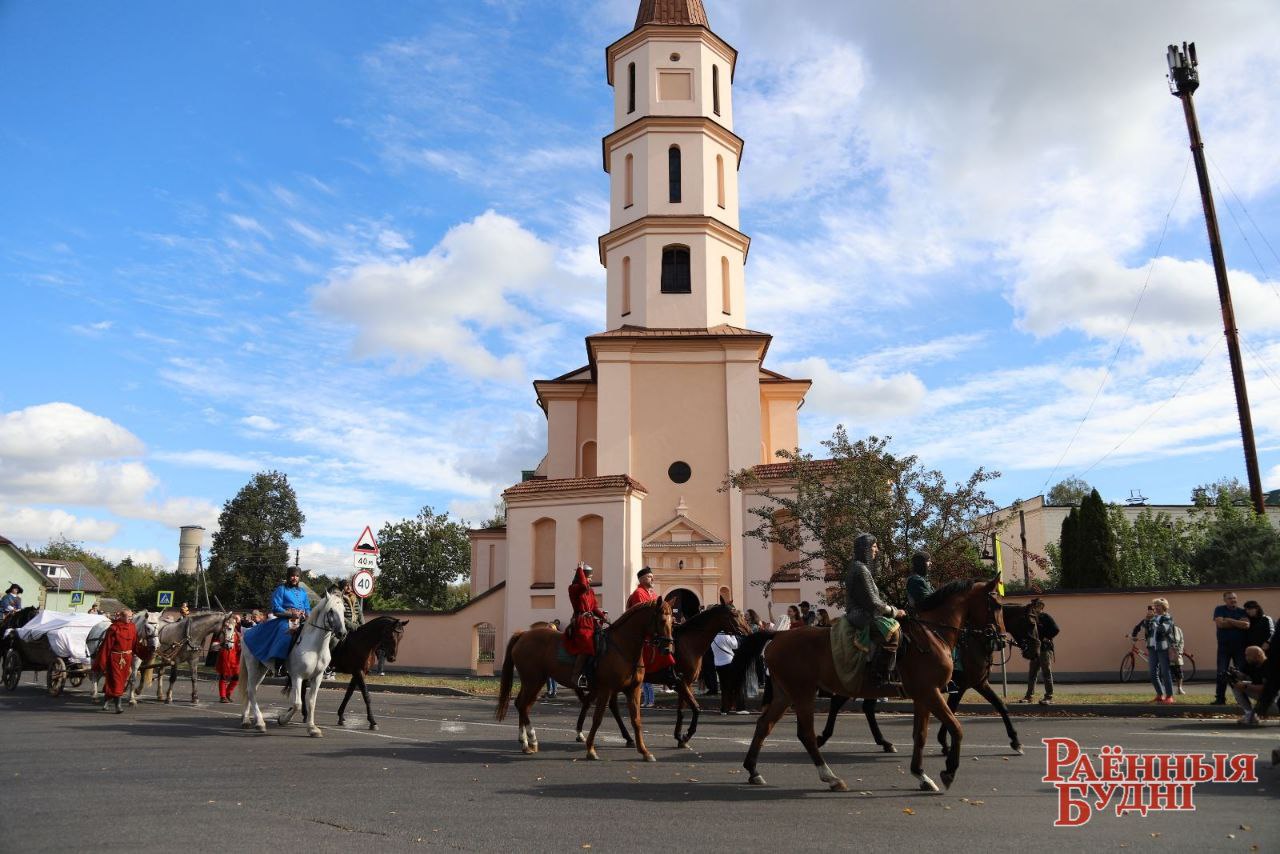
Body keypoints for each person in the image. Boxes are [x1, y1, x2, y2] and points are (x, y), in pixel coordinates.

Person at [844, 533, 905, 693]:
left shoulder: (858, 567)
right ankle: (879, 676)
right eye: (874, 546)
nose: (876, 550)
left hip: (864, 612)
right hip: (860, 615)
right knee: (892, 632)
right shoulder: (860, 569)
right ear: (865, 549)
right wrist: (894, 611)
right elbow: (872, 602)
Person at [627, 567, 667, 708]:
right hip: (642, 635)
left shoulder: (654, 595)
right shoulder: (638, 594)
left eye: (652, 576)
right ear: (642, 579)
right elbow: (642, 617)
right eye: (650, 576)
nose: (652, 579)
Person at [566, 563, 606, 691]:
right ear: (581, 576)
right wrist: (579, 570)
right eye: (589, 577)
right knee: (586, 645)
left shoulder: (590, 590)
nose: (590, 579)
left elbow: (594, 607)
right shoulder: (574, 588)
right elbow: (583, 586)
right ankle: (575, 675)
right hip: (581, 622)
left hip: (591, 622)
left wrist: (603, 616)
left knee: (602, 642)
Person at [1131, 598, 1175, 704]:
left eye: (1158, 605)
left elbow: (1163, 629)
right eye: (1154, 605)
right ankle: (1160, 695)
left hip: (1163, 648)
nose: (1155, 607)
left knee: (1165, 672)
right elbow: (1146, 628)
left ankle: (1169, 696)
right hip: (1152, 647)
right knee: (1152, 673)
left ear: (1164, 607)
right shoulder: (1152, 618)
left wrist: (1153, 620)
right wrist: (1147, 619)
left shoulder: (1167, 617)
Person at [94, 610, 138, 713]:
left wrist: (144, 651)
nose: (130, 619)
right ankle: (118, 706)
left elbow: (135, 642)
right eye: (128, 617)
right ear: (121, 617)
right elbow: (107, 645)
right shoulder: (113, 628)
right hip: (115, 658)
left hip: (127, 658)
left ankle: (106, 701)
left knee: (119, 681)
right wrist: (103, 660)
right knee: (117, 681)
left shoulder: (132, 627)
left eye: (131, 617)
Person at [1213, 591, 1250, 705]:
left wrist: (1228, 620)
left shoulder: (1242, 611)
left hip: (1240, 647)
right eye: (1230, 598)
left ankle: (1242, 700)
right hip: (1224, 647)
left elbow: (1246, 625)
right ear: (1225, 600)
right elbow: (1220, 624)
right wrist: (1237, 623)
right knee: (1221, 673)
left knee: (1240, 674)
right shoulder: (1219, 609)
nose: (1232, 600)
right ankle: (1220, 699)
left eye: (1234, 598)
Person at [1021, 598, 1060, 705]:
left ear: (1041, 606)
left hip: (1045, 649)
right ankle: (1028, 697)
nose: (1034, 607)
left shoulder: (1045, 617)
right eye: (1033, 605)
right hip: (1034, 650)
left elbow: (1056, 629)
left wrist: (1047, 637)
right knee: (1032, 674)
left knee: (1046, 673)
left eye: (1037, 605)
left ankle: (1049, 697)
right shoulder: (1031, 618)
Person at [1229, 646, 1280, 726]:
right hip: (1264, 698)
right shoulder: (1253, 664)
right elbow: (1248, 677)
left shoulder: (1270, 667)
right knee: (1236, 686)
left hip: (1274, 701)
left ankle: (1253, 715)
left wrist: (1246, 686)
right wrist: (1236, 674)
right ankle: (1250, 715)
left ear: (1258, 655)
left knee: (1242, 685)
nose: (1246, 658)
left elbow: (1267, 689)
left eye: (1248, 655)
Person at [711, 631, 748, 714]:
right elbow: (735, 645)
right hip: (729, 662)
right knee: (737, 685)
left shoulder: (712, 637)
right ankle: (740, 708)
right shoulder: (726, 636)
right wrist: (733, 636)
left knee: (724, 687)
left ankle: (724, 709)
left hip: (718, 663)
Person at [212, 615, 242, 703]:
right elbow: (214, 645)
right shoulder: (222, 632)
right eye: (234, 620)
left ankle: (228, 693)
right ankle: (223, 696)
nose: (236, 622)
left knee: (236, 677)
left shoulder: (238, 633)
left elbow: (238, 646)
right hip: (225, 655)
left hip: (235, 658)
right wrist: (221, 644)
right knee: (224, 676)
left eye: (236, 621)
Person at [1169, 620, 1188, 695]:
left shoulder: (1178, 630)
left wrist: (1179, 651)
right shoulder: (1164, 630)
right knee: (1167, 672)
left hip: (1177, 653)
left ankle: (1179, 688)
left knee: (1179, 672)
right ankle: (1168, 690)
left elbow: (1181, 641)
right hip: (1167, 653)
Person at [545, 619, 562, 700]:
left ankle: (554, 692)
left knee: (553, 677)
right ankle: (549, 691)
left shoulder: (556, 637)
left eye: (549, 629)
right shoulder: (548, 638)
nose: (548, 630)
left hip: (554, 660)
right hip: (548, 659)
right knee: (548, 677)